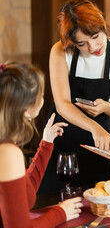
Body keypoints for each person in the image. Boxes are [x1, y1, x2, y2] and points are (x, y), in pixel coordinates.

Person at [39, 0, 110, 193]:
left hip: (100, 143)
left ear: (101, 23)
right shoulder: (60, 50)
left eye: (95, 36)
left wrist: (105, 107)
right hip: (62, 137)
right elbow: (62, 104)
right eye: (82, 44)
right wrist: (94, 127)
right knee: (51, 203)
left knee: (99, 201)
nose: (92, 48)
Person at [0, 62, 83, 227]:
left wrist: (46, 144)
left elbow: (24, 191)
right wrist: (61, 213)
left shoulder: (7, 144)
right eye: (41, 95)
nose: (44, 99)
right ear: (27, 108)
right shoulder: (7, 152)